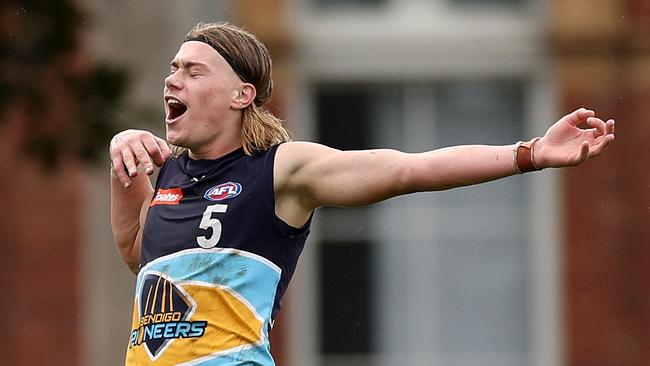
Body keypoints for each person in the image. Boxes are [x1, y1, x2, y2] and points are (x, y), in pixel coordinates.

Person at [109, 21, 615, 366]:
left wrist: (530, 153)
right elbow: (140, 253)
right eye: (174, 68)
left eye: (193, 71)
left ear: (243, 95)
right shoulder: (172, 177)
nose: (172, 79)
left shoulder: (281, 169)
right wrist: (123, 164)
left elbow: (408, 170)